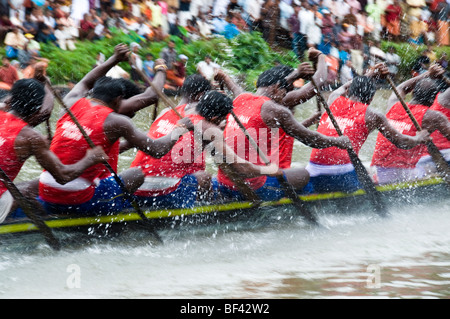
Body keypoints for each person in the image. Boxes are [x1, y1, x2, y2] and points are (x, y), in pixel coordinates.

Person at [37, 44, 188, 215]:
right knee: (135, 174)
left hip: (46, 194)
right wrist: (180, 129)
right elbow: (157, 149)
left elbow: (86, 81)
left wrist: (114, 59)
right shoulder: (116, 121)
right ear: (118, 101)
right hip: (77, 200)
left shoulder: (71, 101)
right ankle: (113, 213)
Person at [125, 75, 278, 208]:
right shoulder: (210, 130)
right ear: (214, 118)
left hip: (134, 187)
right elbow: (240, 169)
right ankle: (203, 213)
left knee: (195, 171)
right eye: (223, 119)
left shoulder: (169, 112)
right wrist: (268, 170)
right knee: (204, 177)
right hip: (158, 193)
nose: (224, 123)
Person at [214, 56, 352, 202]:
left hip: (225, 184)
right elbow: (311, 140)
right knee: (303, 175)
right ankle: (303, 208)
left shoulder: (240, 99)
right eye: (285, 92)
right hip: (255, 188)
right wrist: (338, 141)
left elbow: (232, 85)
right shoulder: (275, 110)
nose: (284, 98)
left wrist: (223, 76)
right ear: (276, 88)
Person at [305, 63, 430, 193]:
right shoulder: (373, 115)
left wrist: (371, 73)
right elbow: (401, 142)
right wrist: (419, 138)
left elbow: (345, 86)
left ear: (349, 92)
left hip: (313, 171)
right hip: (342, 175)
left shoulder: (333, 99)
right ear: (370, 99)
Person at [0, 78, 107, 223]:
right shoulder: (31, 137)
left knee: (27, 190)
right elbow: (62, 176)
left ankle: (34, 218)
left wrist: (45, 88)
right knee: (28, 190)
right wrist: (91, 158)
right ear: (37, 110)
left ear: (10, 100)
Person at [371, 64, 447, 185]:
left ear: (413, 94)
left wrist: (427, 74)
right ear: (433, 101)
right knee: (432, 166)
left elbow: (401, 87)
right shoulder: (433, 116)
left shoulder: (393, 105)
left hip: (380, 169)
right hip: (403, 174)